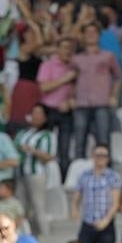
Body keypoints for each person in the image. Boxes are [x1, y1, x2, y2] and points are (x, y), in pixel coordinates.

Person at [71, 144, 122, 243]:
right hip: (88, 222)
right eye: (98, 155)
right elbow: (77, 194)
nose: (100, 158)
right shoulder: (84, 175)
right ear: (93, 157)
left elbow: (116, 202)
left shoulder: (113, 176)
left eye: (104, 156)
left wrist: (106, 220)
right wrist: (74, 208)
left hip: (106, 224)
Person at [71, 23, 122, 159]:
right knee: (79, 141)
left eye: (94, 32)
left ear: (99, 36)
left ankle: (106, 173)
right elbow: (72, 80)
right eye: (87, 32)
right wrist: (71, 97)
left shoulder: (108, 56)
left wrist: (113, 95)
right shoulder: (76, 59)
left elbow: (118, 77)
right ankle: (79, 171)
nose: (91, 35)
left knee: (103, 140)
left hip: (102, 103)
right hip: (81, 103)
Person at [37, 37, 76, 176]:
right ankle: (44, 177)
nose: (67, 51)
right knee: (45, 147)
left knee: (64, 150)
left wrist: (72, 101)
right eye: (64, 47)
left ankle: (63, 179)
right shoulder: (47, 65)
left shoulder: (75, 66)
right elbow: (44, 87)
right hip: (49, 110)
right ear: (58, 49)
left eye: (70, 48)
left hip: (67, 112)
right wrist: (65, 78)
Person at [15, 104, 56, 235]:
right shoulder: (22, 133)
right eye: (34, 113)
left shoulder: (47, 135)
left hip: (36, 173)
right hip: (20, 173)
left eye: (39, 113)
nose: (35, 116)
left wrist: (32, 150)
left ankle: (45, 235)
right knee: (21, 206)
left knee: (38, 205)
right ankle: (22, 235)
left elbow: (49, 157)